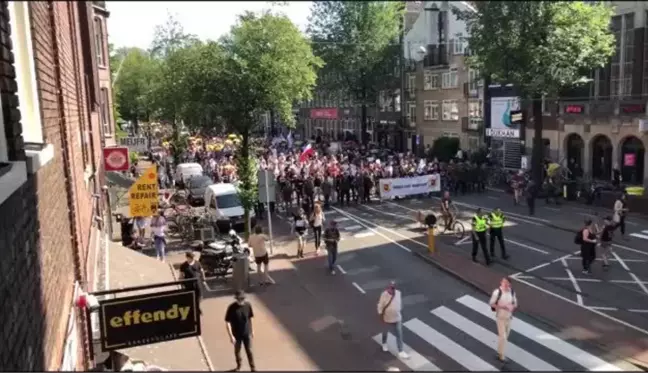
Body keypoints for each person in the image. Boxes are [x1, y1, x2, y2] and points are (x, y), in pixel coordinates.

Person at [377, 281, 409, 359]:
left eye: (393, 287)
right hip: (387, 318)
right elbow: (380, 305)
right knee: (385, 332)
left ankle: (400, 351)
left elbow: (399, 303)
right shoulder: (384, 295)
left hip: (397, 318)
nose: (392, 289)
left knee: (399, 334)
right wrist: (380, 314)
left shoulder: (398, 293)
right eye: (390, 287)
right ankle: (384, 343)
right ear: (388, 288)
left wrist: (398, 309)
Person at [225, 290, 255, 371]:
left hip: (246, 333)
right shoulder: (231, 308)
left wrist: (252, 330)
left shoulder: (248, 305)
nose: (241, 301)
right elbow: (227, 322)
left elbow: (250, 318)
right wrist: (231, 336)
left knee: (249, 351)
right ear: (236, 299)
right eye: (239, 299)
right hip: (236, 334)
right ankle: (239, 366)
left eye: (242, 299)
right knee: (237, 351)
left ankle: (253, 368)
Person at [489, 277, 517, 363]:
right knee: (503, 337)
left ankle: (499, 351)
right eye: (503, 282)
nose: (504, 284)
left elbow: (515, 303)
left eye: (507, 283)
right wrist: (503, 306)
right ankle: (501, 356)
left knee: (505, 337)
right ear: (501, 282)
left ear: (509, 284)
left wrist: (512, 307)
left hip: (509, 318)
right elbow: (491, 304)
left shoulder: (512, 292)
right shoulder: (497, 292)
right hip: (500, 318)